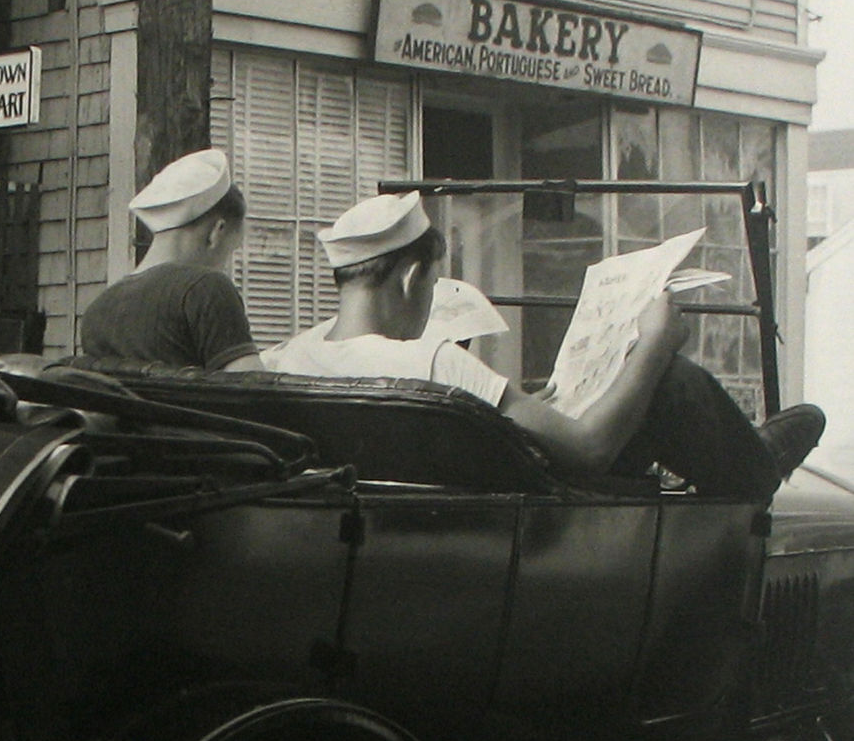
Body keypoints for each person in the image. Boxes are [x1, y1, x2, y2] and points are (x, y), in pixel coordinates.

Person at [261, 192, 824, 500]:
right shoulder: (430, 363)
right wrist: (653, 345)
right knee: (672, 382)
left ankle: (749, 450)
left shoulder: (279, 361)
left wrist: (526, 402)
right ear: (410, 278)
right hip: (536, 522)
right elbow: (590, 448)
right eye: (433, 285)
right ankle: (757, 467)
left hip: (388, 528)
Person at [79, 148, 264, 371]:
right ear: (217, 231)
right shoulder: (206, 289)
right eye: (231, 249)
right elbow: (251, 389)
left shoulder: (98, 309)